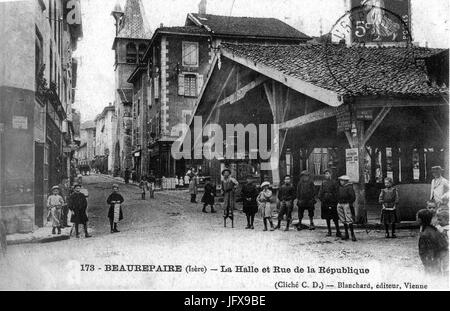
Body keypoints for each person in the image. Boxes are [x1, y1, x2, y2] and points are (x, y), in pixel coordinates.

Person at [417, 209, 449, 276]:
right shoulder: (435, 230)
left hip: (431, 264)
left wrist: (427, 266)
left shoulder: (424, 234)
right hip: (438, 261)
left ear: (419, 220)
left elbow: (423, 253)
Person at [319, 169, 341, 237]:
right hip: (325, 202)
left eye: (328, 174)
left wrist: (335, 200)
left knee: (335, 218)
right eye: (325, 174)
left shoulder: (334, 183)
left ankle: (338, 231)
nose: (326, 175)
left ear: (331, 174)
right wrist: (322, 199)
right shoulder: (323, 183)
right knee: (327, 217)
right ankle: (329, 231)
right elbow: (320, 193)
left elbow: (337, 193)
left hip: (333, 202)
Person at [336, 175, 357, 241]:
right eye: (340, 180)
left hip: (346, 204)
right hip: (340, 204)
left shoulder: (349, 187)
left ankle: (352, 234)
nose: (341, 182)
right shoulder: (340, 187)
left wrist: (349, 203)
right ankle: (346, 234)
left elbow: (353, 197)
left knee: (349, 219)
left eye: (342, 180)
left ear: (345, 181)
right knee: (343, 219)